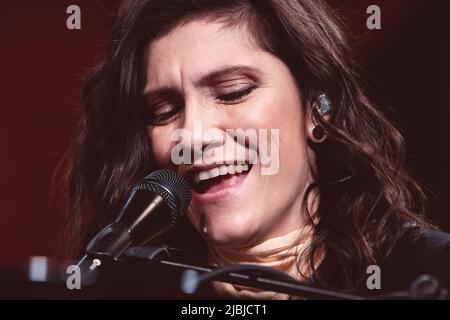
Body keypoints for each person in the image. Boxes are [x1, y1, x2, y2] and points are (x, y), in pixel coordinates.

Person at [57, 0, 450, 299]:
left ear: (317, 107)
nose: (192, 135)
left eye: (234, 92)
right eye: (164, 111)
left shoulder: (426, 273)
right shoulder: (122, 285)